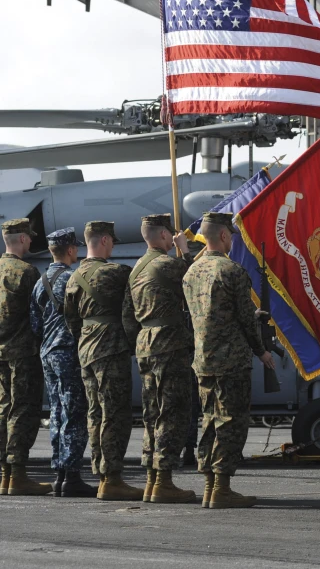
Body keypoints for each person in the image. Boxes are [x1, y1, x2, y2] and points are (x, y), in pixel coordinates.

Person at [182, 212, 275, 509]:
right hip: (231, 360)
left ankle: (210, 486)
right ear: (223, 236)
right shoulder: (231, 271)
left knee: (209, 421)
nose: (232, 241)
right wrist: (261, 350)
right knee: (231, 422)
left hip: (203, 359)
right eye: (232, 236)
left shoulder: (191, 272)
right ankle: (221, 488)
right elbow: (246, 321)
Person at [64, 221, 142, 501]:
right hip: (111, 350)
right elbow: (133, 310)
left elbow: (71, 320)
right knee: (115, 414)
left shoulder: (73, 277)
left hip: (86, 350)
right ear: (106, 240)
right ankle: (113, 478)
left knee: (95, 413)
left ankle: (101, 474)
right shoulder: (118, 272)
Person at [122, 213, 196, 504]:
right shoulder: (168, 264)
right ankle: (163, 480)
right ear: (164, 235)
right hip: (169, 344)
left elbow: (128, 316)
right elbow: (197, 282)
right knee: (172, 412)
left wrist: (137, 343)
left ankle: (152, 480)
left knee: (152, 413)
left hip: (145, 343)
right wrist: (186, 251)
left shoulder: (137, 267)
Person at [29, 227, 96, 498]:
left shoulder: (41, 280)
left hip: (48, 352)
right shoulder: (74, 277)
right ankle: (72, 476)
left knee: (57, 411)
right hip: (69, 352)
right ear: (70, 250)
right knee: (74, 412)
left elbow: (35, 324)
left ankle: (59, 475)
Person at [0, 218, 51, 496]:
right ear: (21, 239)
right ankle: (17, 474)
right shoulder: (27, 272)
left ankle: (5, 475)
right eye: (29, 237)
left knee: (3, 408)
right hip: (22, 353)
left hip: (1, 352)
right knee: (22, 410)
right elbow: (37, 317)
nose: (31, 241)